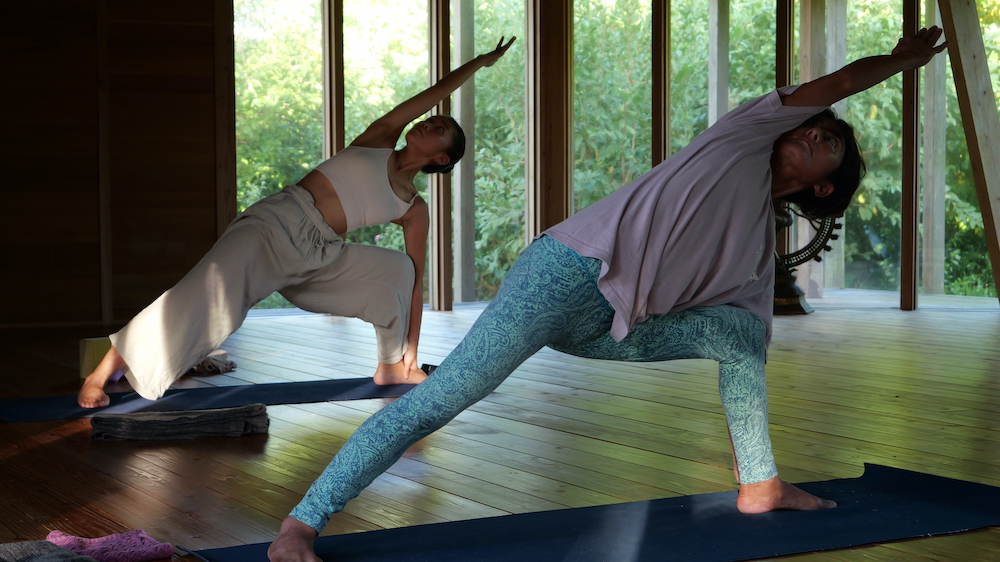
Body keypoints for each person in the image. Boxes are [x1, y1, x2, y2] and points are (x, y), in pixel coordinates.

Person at [267, 28, 947, 561]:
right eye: (813, 125)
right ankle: (301, 523)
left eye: (829, 142)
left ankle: (761, 484)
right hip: (561, 277)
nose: (814, 131)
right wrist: (901, 61)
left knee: (744, 338)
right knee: (442, 400)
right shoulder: (742, 139)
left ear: (825, 185)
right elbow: (837, 82)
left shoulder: (753, 248)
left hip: (612, 322)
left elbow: (741, 322)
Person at [76, 37, 518, 409]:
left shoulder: (414, 208)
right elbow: (435, 89)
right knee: (202, 294)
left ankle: (390, 367)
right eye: (431, 118)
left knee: (400, 269)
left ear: (441, 158)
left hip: (319, 255)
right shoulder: (380, 138)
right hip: (274, 225)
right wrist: (479, 63)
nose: (428, 122)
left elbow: (415, 283)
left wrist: (411, 357)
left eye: (439, 128)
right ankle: (101, 374)